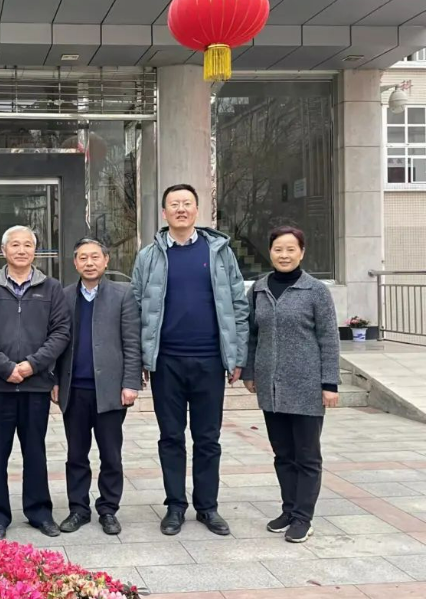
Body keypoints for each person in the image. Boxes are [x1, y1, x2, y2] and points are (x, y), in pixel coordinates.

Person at [131, 184, 248, 537]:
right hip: (166, 361)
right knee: (170, 437)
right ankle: (175, 506)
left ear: (197, 210)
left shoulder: (220, 253)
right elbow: (135, 308)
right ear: (164, 213)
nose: (180, 209)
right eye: (174, 204)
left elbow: (238, 305)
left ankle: (208, 507)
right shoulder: (149, 256)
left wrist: (237, 355)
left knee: (208, 438)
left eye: (187, 203)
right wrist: (141, 357)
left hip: (209, 360)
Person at [242, 226, 340, 544]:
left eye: (290, 249)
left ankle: (303, 517)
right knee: (283, 453)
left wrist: (330, 383)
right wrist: (249, 372)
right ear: (270, 252)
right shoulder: (259, 288)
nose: (284, 255)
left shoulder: (316, 291)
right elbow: (252, 335)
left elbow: (329, 338)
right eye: (278, 249)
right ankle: (289, 509)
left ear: (302, 252)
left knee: (307, 456)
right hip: (271, 387)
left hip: (307, 386)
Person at [0, 225, 71, 539]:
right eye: (14, 245)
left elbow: (60, 332)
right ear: (3, 250)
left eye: (27, 245)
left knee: (35, 452)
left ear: (35, 250)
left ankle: (39, 512)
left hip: (35, 385)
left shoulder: (51, 288)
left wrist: (31, 366)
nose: (21, 250)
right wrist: (5, 368)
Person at [54, 238, 142, 536]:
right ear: (75, 263)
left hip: (110, 391)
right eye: (83, 258)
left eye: (95, 257)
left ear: (106, 261)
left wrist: (131, 383)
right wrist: (55, 381)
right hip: (74, 390)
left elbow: (132, 342)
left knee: (110, 455)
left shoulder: (123, 294)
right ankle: (78, 509)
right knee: (76, 455)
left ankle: (108, 509)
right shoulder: (64, 296)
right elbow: (55, 342)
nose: (89, 263)